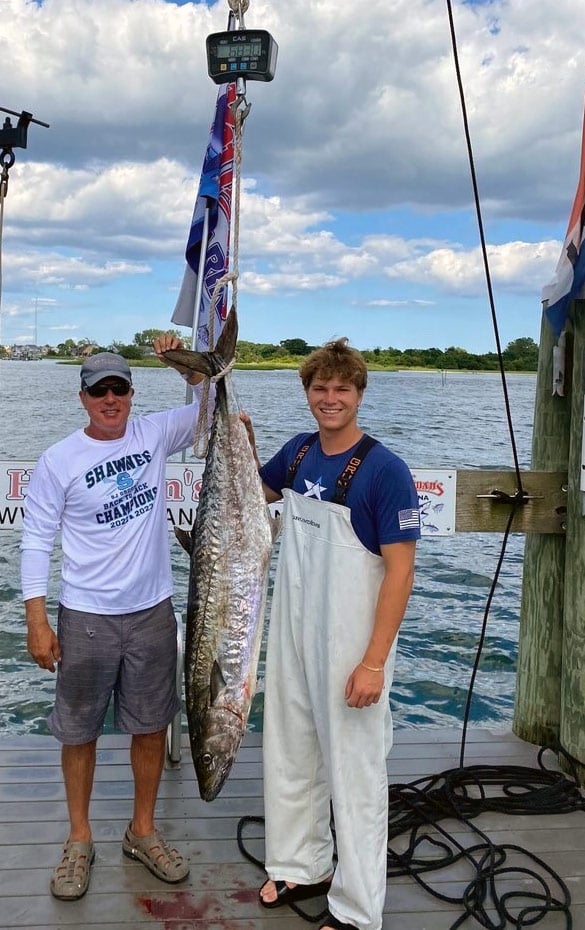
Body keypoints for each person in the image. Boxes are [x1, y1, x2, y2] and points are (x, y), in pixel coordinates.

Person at [21, 338, 207, 901]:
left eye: (119, 388)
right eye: (98, 389)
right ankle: (80, 838)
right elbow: (35, 540)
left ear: (131, 393)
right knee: (78, 732)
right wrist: (37, 617)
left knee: (150, 726)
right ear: (82, 397)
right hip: (86, 615)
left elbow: (207, 412)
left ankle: (141, 831)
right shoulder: (59, 459)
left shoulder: (154, 434)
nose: (110, 398)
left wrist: (188, 366)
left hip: (152, 610)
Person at [250, 338, 420, 930]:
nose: (330, 399)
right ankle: (301, 864)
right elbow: (251, 494)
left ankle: (356, 908)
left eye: (341, 389)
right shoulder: (295, 454)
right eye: (319, 389)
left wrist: (373, 662)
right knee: (290, 748)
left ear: (359, 394)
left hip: (352, 641)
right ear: (307, 393)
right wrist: (222, 423)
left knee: (354, 772)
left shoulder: (384, 470)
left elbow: (401, 572)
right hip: (294, 630)